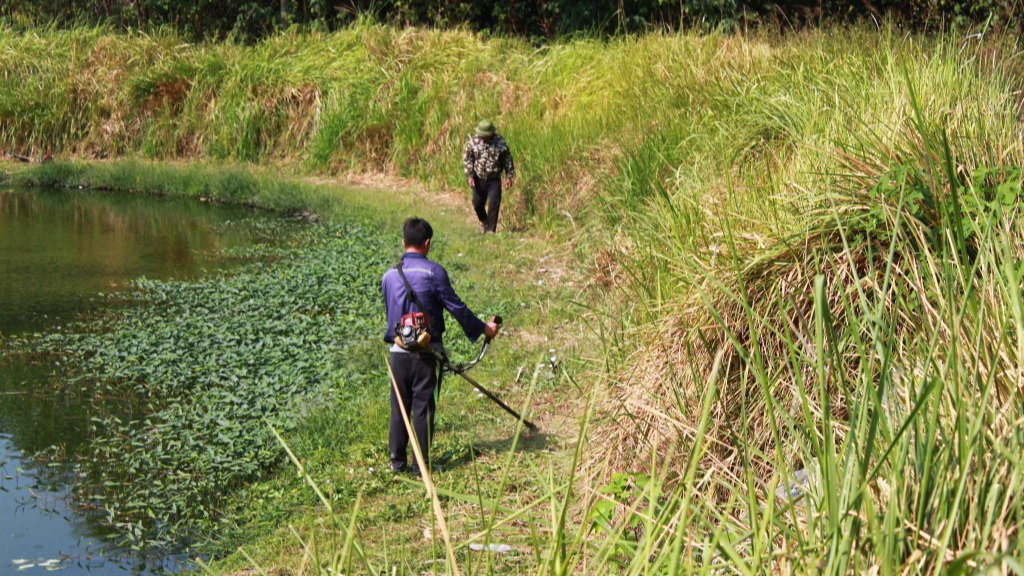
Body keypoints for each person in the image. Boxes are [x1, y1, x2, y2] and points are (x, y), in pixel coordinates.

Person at [381, 217, 500, 475]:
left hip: (398, 353)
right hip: (427, 353)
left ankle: (397, 463)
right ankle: (420, 467)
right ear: (427, 244)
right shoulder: (434, 272)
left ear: (403, 243)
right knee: (423, 408)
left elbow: (390, 311)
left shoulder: (388, 276)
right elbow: (457, 308)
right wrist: (484, 329)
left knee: (399, 407)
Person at [463, 120, 516, 233]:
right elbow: (468, 159)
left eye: (484, 135)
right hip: (478, 178)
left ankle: (491, 230)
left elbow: (507, 159)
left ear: (490, 134)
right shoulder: (474, 142)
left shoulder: (500, 142)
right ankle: (484, 221)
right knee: (477, 203)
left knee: (494, 204)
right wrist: (470, 176)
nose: (481, 137)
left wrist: (509, 176)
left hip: (494, 180)